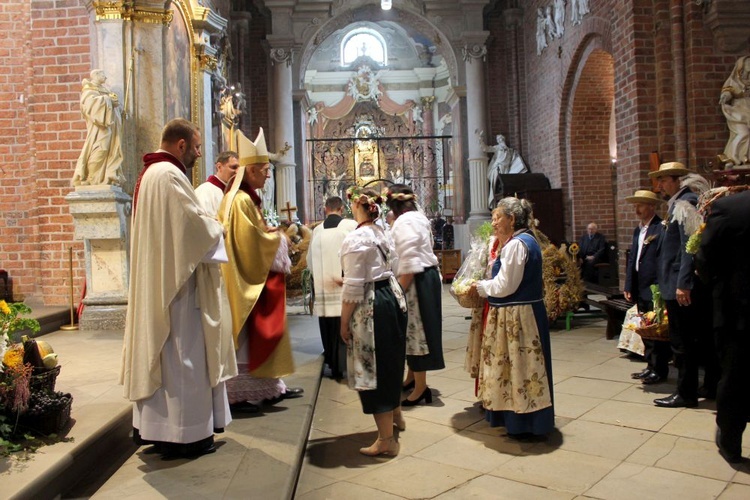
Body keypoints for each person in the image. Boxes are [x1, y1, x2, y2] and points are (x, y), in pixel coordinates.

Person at [121, 118, 237, 458]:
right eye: (197, 147)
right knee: (183, 358)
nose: (199, 154)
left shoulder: (150, 175)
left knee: (169, 358)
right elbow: (192, 226)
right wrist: (217, 229)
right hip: (179, 289)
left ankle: (160, 430)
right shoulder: (169, 176)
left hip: (163, 277)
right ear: (181, 145)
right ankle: (185, 436)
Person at [219, 128, 303, 407]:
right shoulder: (241, 199)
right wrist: (276, 239)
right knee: (249, 339)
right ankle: (246, 392)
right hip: (247, 280)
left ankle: (269, 387)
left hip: (248, 275)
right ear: (252, 170)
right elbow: (249, 243)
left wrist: (266, 231)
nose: (269, 175)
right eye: (265, 170)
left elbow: (250, 234)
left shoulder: (244, 197)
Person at [470, 197, 554, 437]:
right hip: (519, 312)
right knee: (516, 368)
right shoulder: (523, 240)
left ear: (512, 219)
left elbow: (507, 285)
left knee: (521, 368)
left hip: (519, 316)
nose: (494, 223)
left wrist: (483, 287)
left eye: (498, 217)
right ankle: (519, 419)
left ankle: (526, 423)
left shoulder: (517, 244)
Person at [340, 186, 407, 456]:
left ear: (357, 205)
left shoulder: (356, 239)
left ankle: (386, 441)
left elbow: (354, 286)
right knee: (392, 361)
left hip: (371, 305)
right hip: (391, 297)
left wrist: (344, 322)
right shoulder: (383, 233)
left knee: (373, 367)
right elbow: (392, 267)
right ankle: (397, 416)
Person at [650, 162, 718, 408]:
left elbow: (689, 248)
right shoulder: (680, 202)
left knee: (684, 342)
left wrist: (683, 284)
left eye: (664, 180)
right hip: (679, 282)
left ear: (678, 180)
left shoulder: (684, 203)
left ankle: (686, 393)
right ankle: (710, 386)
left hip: (681, 285)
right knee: (698, 338)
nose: (660, 186)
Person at [696, 188, 750, 463]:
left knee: (735, 375)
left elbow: (705, 258)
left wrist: (715, 284)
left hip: (737, 310)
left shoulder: (730, 208)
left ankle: (730, 441)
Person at [385, 185, 445, 406]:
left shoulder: (404, 222)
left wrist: (398, 291)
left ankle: (420, 387)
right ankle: (411, 377)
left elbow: (409, 261)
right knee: (411, 331)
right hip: (424, 278)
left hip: (415, 280)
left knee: (416, 333)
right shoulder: (418, 217)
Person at [307, 196, 358, 379]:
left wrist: (318, 279)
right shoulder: (350, 226)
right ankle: (344, 363)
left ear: (325, 209)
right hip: (344, 286)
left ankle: (331, 361)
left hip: (323, 289)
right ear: (342, 209)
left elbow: (310, 261)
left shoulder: (317, 230)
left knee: (327, 325)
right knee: (343, 324)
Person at [623, 190, 670, 385]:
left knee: (655, 329)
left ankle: (659, 369)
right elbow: (633, 259)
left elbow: (661, 259)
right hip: (639, 285)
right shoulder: (638, 230)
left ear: (651, 206)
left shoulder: (660, 228)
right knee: (645, 328)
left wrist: (659, 287)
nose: (637, 209)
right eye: (636, 205)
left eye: (641, 205)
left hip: (653, 286)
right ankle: (650, 365)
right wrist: (628, 284)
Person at [72, 69, 125, 187]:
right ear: (95, 75)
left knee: (108, 151)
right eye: (103, 75)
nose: (105, 77)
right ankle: (92, 178)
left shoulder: (103, 90)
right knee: (100, 149)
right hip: (99, 130)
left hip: (109, 129)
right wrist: (108, 100)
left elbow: (110, 108)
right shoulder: (89, 90)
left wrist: (118, 109)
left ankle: (103, 177)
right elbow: (90, 107)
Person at [483, 133, 529, 209]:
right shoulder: (497, 148)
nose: (500, 140)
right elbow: (486, 149)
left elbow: (515, 161)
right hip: (498, 168)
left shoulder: (510, 151)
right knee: (496, 187)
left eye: (501, 138)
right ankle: (495, 204)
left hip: (506, 170)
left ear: (503, 139)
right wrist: (480, 140)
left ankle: (506, 205)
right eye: (498, 139)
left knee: (505, 186)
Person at [719, 56, 750, 167]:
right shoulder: (735, 81)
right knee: (744, 133)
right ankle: (735, 158)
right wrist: (726, 96)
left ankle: (746, 158)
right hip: (738, 111)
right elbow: (728, 91)